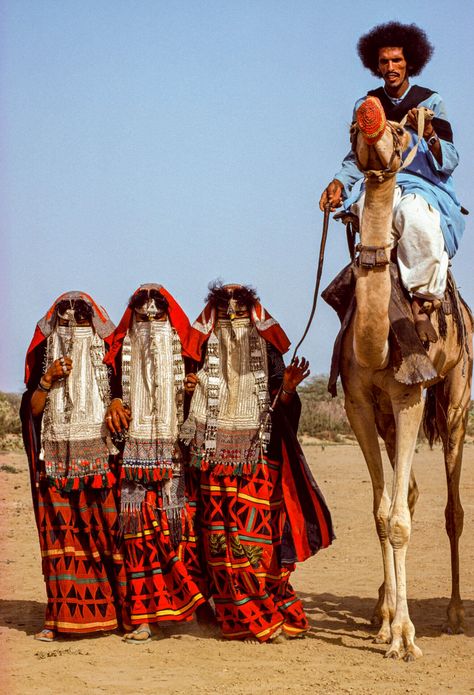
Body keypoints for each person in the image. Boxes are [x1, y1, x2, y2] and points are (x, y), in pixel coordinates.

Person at [180, 282, 333, 642]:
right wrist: (188, 391)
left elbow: (283, 408)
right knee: (218, 545)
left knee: (258, 547)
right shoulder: (199, 355)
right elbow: (184, 412)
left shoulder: (267, 350)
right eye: (224, 316)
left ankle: (265, 612)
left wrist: (290, 390)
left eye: (239, 316)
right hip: (211, 463)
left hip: (258, 462)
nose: (232, 323)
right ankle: (238, 618)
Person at [319, 21, 465, 343]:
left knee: (414, 217)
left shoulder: (431, 102)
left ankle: (423, 304)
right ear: (376, 65)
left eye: (396, 61)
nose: (390, 68)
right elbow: (356, 157)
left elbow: (450, 159)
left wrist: (428, 134)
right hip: (377, 185)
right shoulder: (368, 106)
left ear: (410, 62)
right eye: (384, 62)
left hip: (421, 184)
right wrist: (339, 183)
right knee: (367, 224)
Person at [21, 292, 128, 641]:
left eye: (80, 322)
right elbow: (33, 410)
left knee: (108, 538)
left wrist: (114, 401)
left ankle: (119, 616)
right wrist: (47, 379)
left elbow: (120, 396)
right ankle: (60, 620)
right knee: (62, 544)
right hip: (55, 462)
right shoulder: (45, 356)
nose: (72, 328)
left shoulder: (108, 359)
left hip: (100, 460)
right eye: (64, 322)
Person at [103, 284, 206, 643]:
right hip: (132, 460)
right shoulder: (116, 354)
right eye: (142, 316)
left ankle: (188, 610)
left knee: (178, 534)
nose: (149, 322)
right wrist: (114, 402)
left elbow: (208, 395)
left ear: (168, 318)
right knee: (136, 538)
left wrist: (194, 389)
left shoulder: (191, 353)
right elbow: (106, 389)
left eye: (157, 316)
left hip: (176, 461)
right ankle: (143, 618)